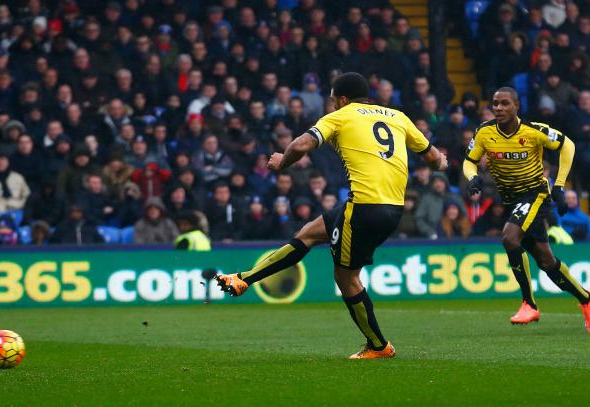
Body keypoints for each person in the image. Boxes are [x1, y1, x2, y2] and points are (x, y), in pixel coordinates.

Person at [215, 72, 447, 359]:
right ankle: (244, 279)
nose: (333, 105)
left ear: (344, 99)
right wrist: (442, 162)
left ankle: (378, 345)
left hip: (363, 207)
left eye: (334, 100)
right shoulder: (398, 116)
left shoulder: (342, 116)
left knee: (346, 278)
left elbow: (300, 145)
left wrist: (280, 163)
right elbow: (435, 159)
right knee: (310, 232)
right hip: (392, 208)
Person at [464, 87, 590, 331]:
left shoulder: (534, 131)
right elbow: (470, 161)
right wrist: (472, 177)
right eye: (495, 103)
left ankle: (529, 305)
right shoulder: (484, 131)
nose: (498, 108)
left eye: (504, 103)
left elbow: (568, 145)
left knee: (510, 239)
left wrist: (560, 185)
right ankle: (586, 300)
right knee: (546, 260)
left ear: (516, 106)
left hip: (535, 195)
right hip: (511, 199)